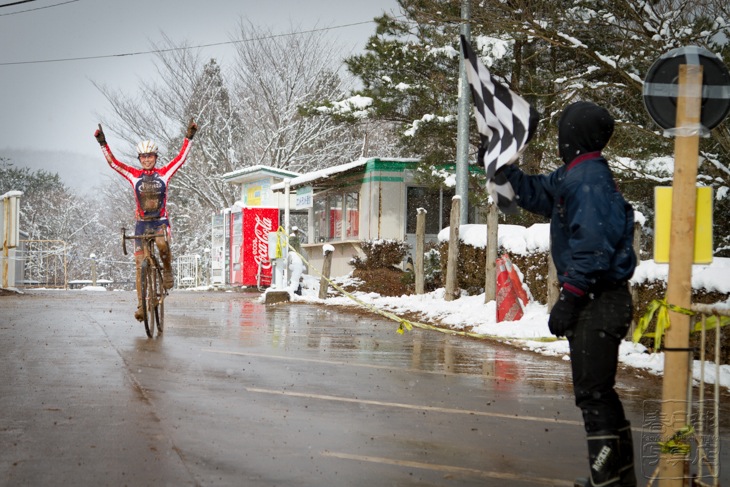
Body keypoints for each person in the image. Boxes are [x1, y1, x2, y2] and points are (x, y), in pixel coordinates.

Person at [498, 101, 637, 487]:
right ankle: (617, 480)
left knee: (593, 394)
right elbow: (534, 192)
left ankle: (606, 480)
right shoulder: (575, 175)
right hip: (600, 299)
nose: (560, 138)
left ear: (574, 136)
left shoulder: (588, 180)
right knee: (600, 393)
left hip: (598, 300)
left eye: (564, 131)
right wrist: (502, 168)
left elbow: (592, 249)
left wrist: (571, 298)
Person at [94, 119, 198, 321]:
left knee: (162, 243)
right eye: (143, 156)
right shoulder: (134, 175)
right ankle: (142, 306)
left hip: (160, 221)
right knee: (139, 265)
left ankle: (167, 270)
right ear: (139, 158)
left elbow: (181, 158)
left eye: (150, 156)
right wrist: (103, 143)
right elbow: (113, 163)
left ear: (155, 157)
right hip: (141, 224)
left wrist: (189, 137)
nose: (147, 160)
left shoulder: (164, 173)